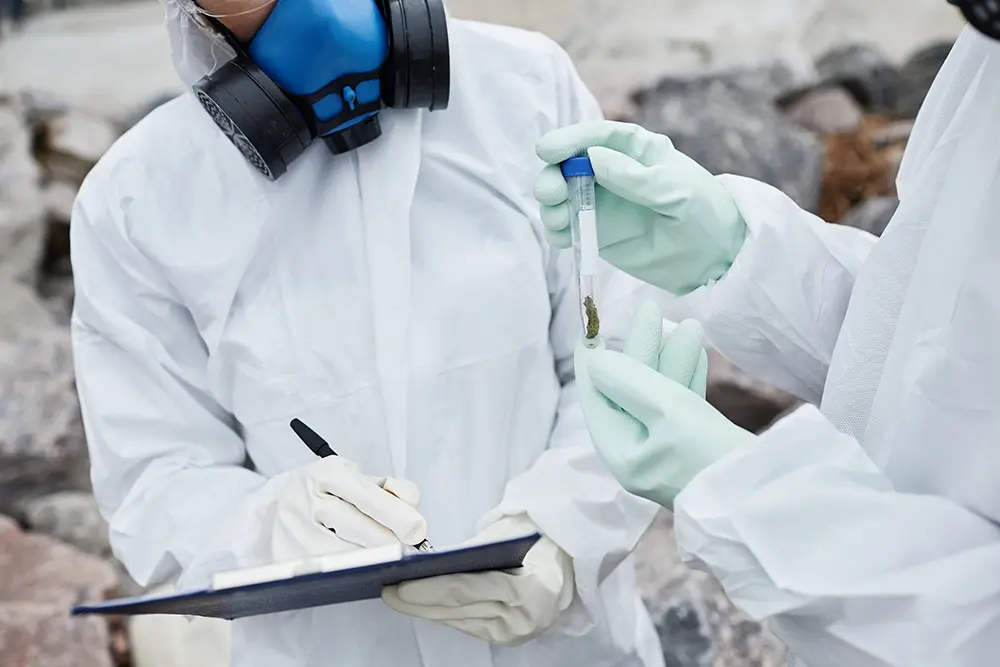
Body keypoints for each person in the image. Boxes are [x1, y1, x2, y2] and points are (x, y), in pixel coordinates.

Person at [68, 0, 679, 666]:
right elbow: (155, 479)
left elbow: (626, 354)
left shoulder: (527, 88)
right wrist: (267, 527)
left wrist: (567, 527)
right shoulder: (138, 197)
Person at [533, 19, 1000, 667]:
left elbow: (977, 628)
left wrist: (751, 498)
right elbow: (945, 336)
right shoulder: (986, 52)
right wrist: (738, 255)